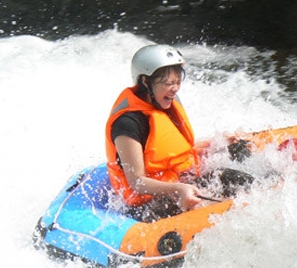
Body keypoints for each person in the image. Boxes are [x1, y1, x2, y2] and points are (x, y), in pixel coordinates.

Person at [105, 44, 252, 222]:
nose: (175, 89)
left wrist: (218, 143)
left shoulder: (164, 103)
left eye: (177, 82)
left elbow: (178, 152)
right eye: (168, 83)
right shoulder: (127, 124)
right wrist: (178, 189)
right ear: (145, 81)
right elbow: (137, 181)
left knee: (233, 177)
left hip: (179, 182)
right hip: (149, 203)